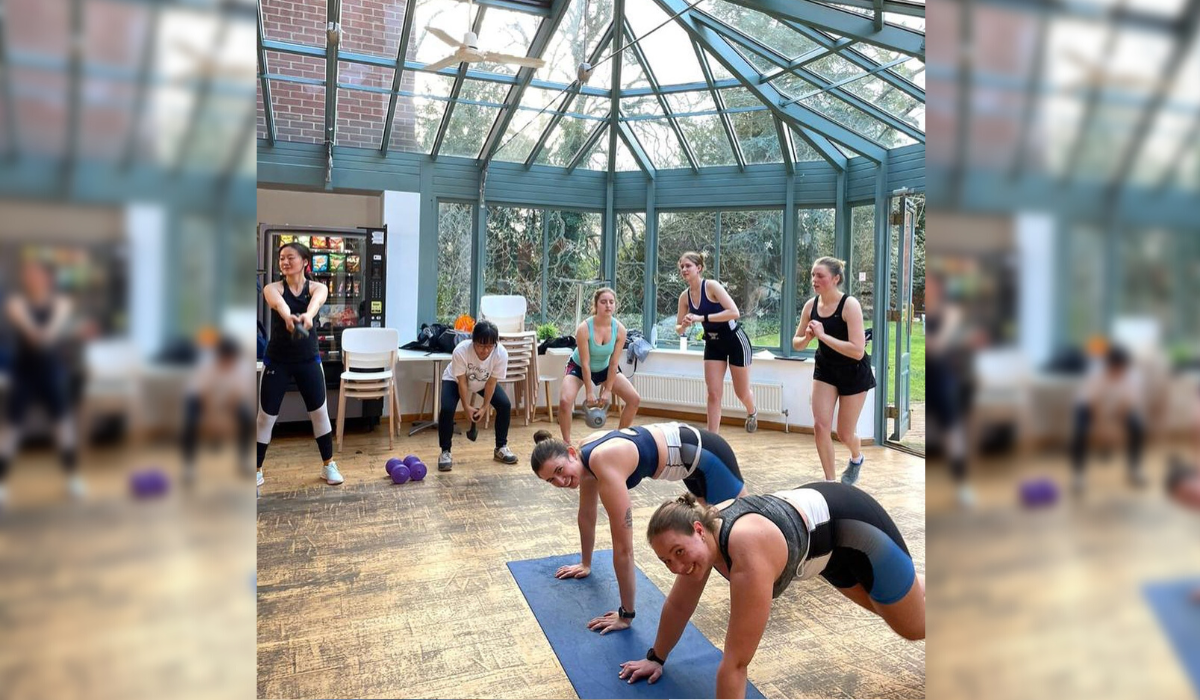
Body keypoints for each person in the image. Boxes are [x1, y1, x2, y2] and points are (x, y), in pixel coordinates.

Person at [618, 486, 924, 698]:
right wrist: (656, 658)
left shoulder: (747, 551)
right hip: (825, 552)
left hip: (857, 528)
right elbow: (679, 605)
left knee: (913, 626)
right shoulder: (701, 544)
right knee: (891, 606)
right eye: (666, 560)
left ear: (698, 530)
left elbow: (736, 663)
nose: (676, 566)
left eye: (678, 552)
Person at [530, 424, 747, 634]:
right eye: (551, 480)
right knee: (728, 541)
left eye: (559, 470)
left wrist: (626, 615)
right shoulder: (583, 460)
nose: (561, 480)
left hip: (708, 456)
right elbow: (586, 516)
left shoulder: (602, 462)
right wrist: (585, 563)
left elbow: (624, 549)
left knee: (739, 537)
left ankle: (758, 590)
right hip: (691, 463)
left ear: (570, 453)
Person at [258, 242, 342, 488]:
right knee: (265, 417)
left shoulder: (318, 287)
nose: (284, 262)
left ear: (305, 262)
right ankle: (255, 469)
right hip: (278, 360)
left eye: (290, 258)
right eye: (281, 258)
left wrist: (308, 315)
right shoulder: (272, 287)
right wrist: (288, 317)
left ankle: (329, 465)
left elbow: (316, 302)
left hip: (308, 359)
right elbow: (279, 304)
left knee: (319, 412)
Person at [0, 260, 82, 506]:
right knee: (11, 430)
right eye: (27, 274)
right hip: (23, 374)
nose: (30, 278)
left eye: (35, 274)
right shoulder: (16, 302)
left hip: (52, 374)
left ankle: (73, 478)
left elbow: (57, 323)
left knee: (64, 426)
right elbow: (22, 320)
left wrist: (47, 333)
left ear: (47, 278)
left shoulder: (62, 302)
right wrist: (34, 331)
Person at [793, 256, 875, 485]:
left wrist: (822, 336)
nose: (814, 280)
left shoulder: (850, 305)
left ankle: (856, 458)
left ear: (836, 278)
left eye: (820, 276)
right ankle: (830, 482)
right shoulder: (811, 306)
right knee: (820, 426)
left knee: (844, 434)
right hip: (826, 370)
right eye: (812, 275)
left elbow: (857, 350)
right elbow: (796, 342)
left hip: (853, 371)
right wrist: (808, 338)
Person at [675, 251, 757, 434]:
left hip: (735, 340)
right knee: (713, 393)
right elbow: (678, 328)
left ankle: (752, 411)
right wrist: (685, 325)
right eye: (682, 266)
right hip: (713, 343)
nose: (684, 269)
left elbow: (734, 312)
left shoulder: (711, 286)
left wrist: (701, 317)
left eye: (688, 265)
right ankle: (713, 438)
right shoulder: (684, 297)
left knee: (741, 392)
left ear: (699, 268)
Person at [558, 287, 640, 444]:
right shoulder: (584, 328)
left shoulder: (620, 330)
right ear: (596, 305)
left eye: (611, 302)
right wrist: (589, 391)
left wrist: (607, 390)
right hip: (579, 367)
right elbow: (585, 363)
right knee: (565, 401)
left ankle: (619, 438)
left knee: (634, 399)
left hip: (605, 367)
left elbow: (614, 363)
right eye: (603, 302)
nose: (608, 305)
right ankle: (567, 443)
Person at [437, 320, 519, 472]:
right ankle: (445, 452)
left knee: (505, 405)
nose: (485, 350)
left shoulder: (501, 354)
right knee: (447, 409)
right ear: (473, 341)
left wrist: (484, 407)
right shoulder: (461, 351)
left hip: (483, 382)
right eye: (481, 345)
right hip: (455, 380)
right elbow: (462, 383)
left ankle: (501, 447)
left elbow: (491, 383)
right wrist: (466, 407)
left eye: (489, 346)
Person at [1069, 344, 1146, 495]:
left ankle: (1134, 469)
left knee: (1138, 427)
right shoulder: (1095, 375)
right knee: (1080, 431)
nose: (1119, 372)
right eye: (1115, 369)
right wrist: (1100, 430)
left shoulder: (1134, 377)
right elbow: (1093, 403)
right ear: (1107, 366)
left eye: (1122, 369)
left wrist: (1116, 430)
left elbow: (1127, 405)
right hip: (1087, 406)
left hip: (1117, 406)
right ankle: (1078, 475)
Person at [925, 270, 974, 507]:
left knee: (952, 434)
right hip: (927, 379)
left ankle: (961, 485)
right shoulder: (926, 315)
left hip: (942, 380)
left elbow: (938, 346)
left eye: (931, 285)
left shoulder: (951, 313)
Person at [181, 335, 256, 485]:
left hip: (227, 401)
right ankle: (189, 466)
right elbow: (203, 396)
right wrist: (210, 420)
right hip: (200, 400)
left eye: (230, 360)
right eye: (224, 360)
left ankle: (243, 461)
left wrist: (226, 421)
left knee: (247, 417)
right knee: (189, 420)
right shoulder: (206, 366)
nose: (226, 363)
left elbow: (238, 397)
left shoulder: (242, 368)